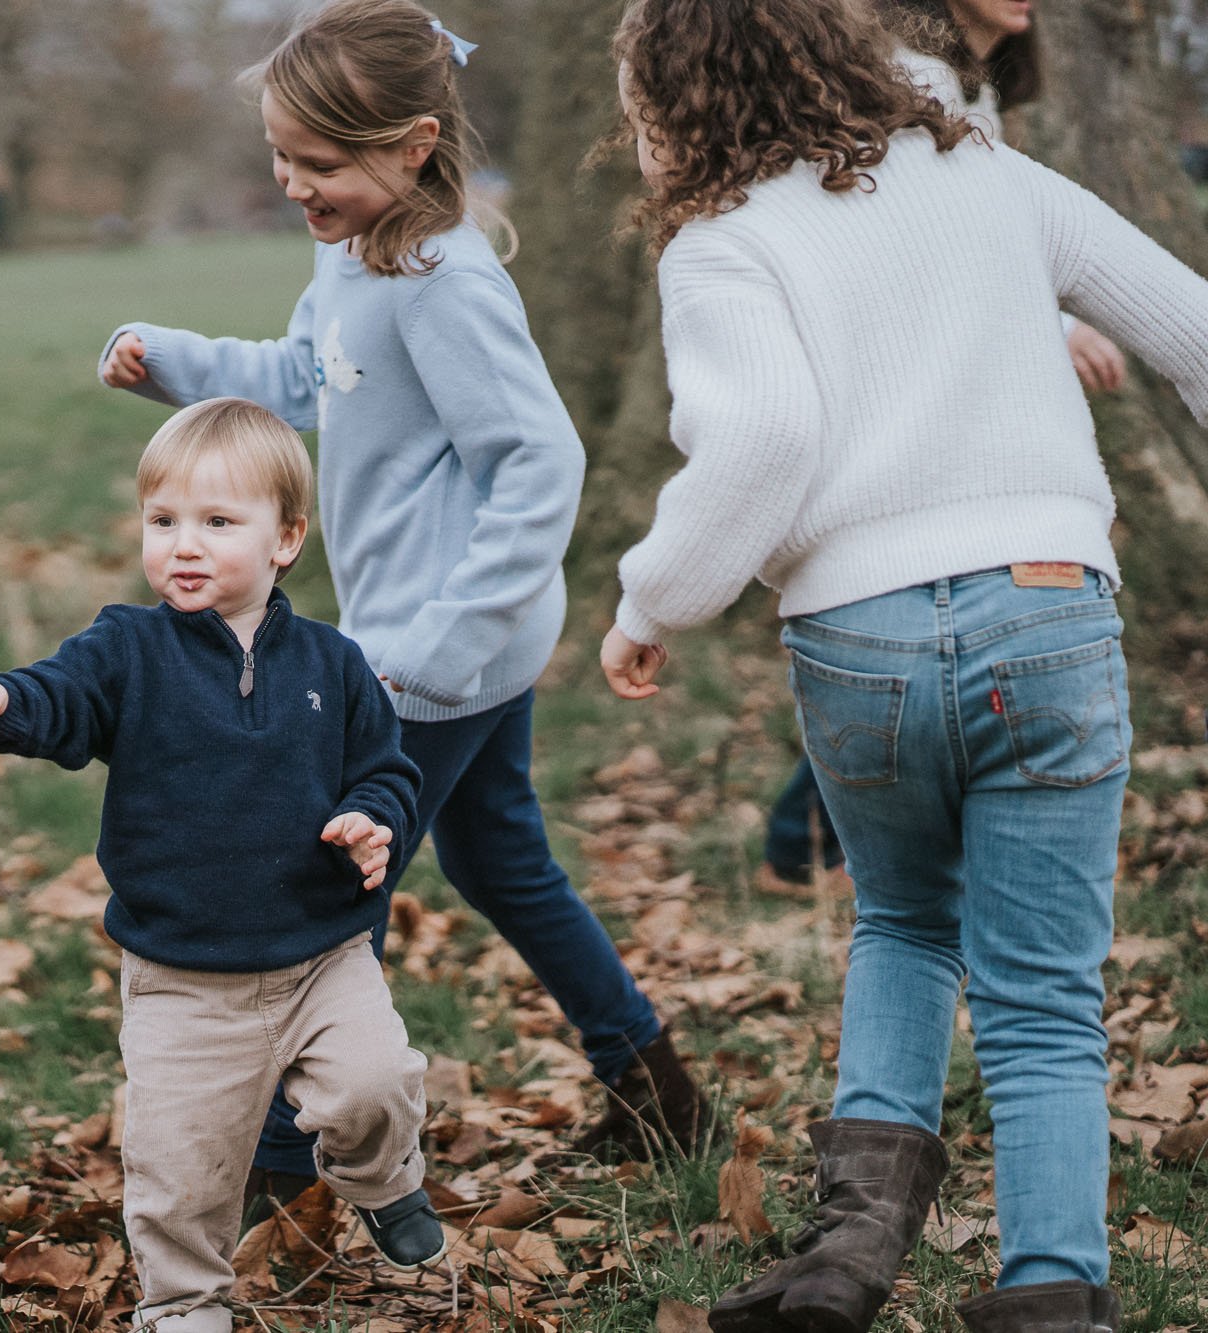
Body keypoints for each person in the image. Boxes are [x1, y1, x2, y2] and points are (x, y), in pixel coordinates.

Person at [602, 0, 1208, 1328]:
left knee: (902, 922)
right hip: (1049, 605)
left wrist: (651, 602)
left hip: (860, 638)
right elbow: (1194, 332)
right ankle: (1053, 1289)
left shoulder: (720, 239)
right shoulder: (988, 170)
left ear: (678, 100)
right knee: (1044, 994)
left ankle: (843, 1260)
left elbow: (758, 443)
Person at [98, 0, 710, 1192]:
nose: (291, 183)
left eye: (318, 163)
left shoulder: (440, 278)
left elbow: (539, 464)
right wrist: (172, 360)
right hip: (428, 649)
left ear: (413, 142)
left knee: (329, 886)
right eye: (281, 157)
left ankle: (279, 1173)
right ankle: (653, 1086)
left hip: (435, 657)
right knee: (499, 860)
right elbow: (300, 378)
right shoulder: (352, 252)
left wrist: (437, 647)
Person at [0, 397, 442, 1333]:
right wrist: (1, 700)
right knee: (179, 1166)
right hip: (182, 977)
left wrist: (371, 821)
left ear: (287, 537)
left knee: (375, 1084)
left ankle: (381, 1178)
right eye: (163, 520)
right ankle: (185, 1303)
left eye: (218, 522)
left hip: (324, 955)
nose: (185, 544)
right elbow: (63, 698)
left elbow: (386, 772)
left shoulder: (334, 663)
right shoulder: (128, 647)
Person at [762, 0, 1130, 887]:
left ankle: (818, 838)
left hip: (995, 540)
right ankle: (795, 838)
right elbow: (918, 242)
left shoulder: (981, 102)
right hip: (922, 505)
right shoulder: (892, 89)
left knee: (908, 912)